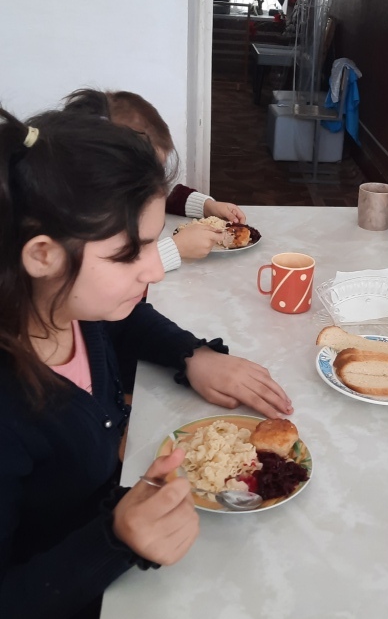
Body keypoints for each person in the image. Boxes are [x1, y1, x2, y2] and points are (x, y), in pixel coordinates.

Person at [0, 106, 292, 619]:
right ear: (43, 254)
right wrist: (115, 539)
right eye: (130, 252)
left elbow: (127, 321)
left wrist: (193, 355)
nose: (156, 269)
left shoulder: (73, 307)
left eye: (154, 244)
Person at [62, 88, 246, 271]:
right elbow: (107, 272)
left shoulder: (116, 190)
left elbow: (162, 196)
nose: (155, 185)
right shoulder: (80, 220)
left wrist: (206, 206)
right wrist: (174, 249)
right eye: (146, 179)